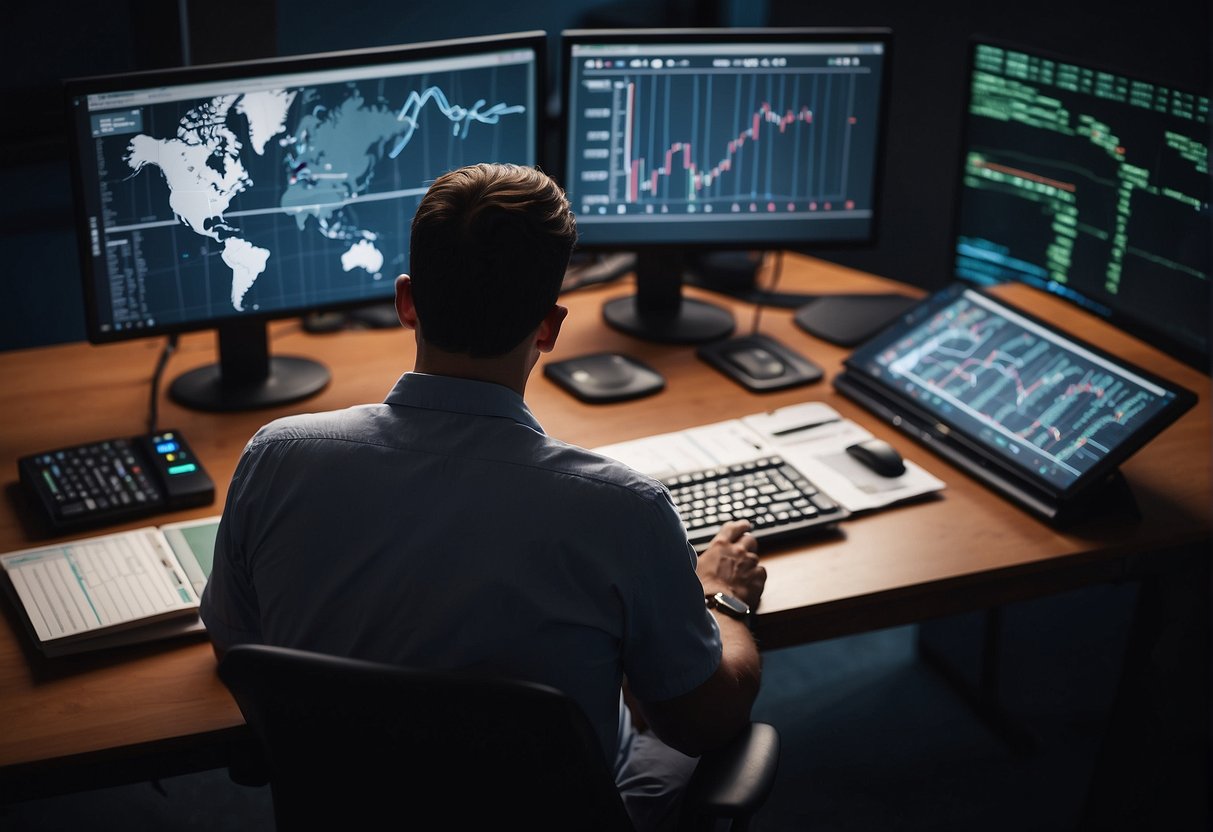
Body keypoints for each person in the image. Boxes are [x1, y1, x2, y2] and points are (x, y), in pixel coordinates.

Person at [200, 162, 766, 830]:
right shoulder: (623, 509)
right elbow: (699, 722)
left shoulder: (275, 456)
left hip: (356, 810)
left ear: (406, 301)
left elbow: (238, 649)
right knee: (662, 724)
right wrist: (721, 599)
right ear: (549, 327)